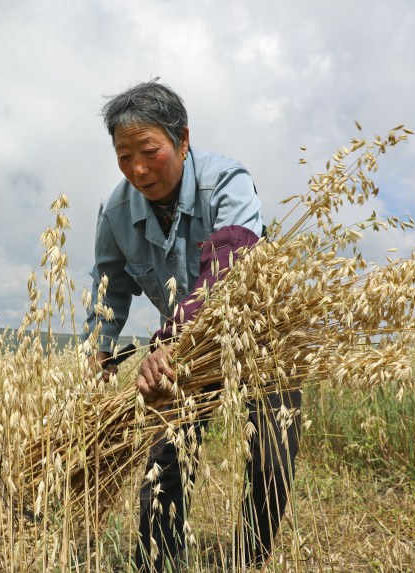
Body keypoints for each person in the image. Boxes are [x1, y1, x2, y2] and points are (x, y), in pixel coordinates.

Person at [83, 80, 301, 571]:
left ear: (183, 140)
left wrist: (172, 342)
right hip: (183, 349)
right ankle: (156, 562)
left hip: (259, 336)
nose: (137, 169)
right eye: (123, 156)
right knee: (167, 453)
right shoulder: (116, 212)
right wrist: (98, 351)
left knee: (271, 452)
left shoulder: (227, 182)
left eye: (149, 151)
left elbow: (229, 264)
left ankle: (251, 557)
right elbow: (108, 287)